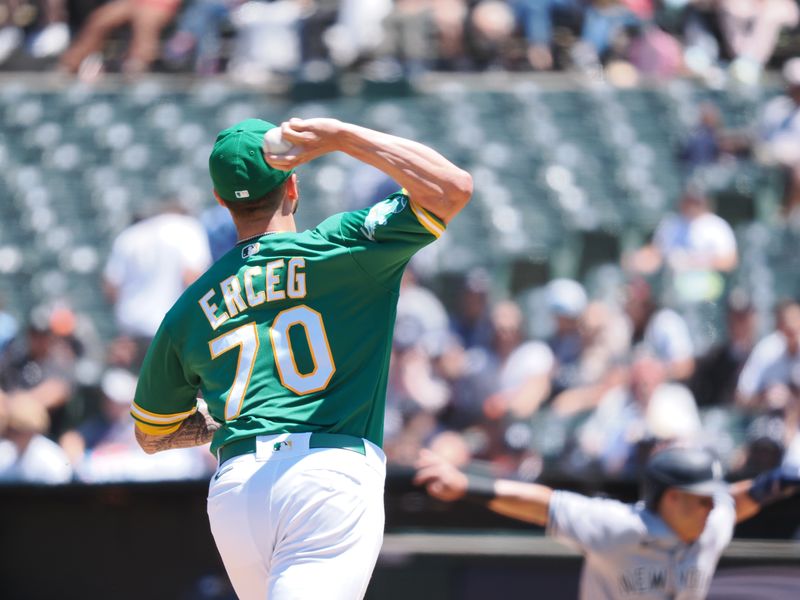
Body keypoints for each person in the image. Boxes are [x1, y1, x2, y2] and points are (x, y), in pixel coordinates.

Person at [131, 117, 472, 599]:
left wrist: (235, 421)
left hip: (236, 489)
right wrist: (342, 138)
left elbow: (152, 433)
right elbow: (451, 187)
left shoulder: (189, 306)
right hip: (326, 475)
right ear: (292, 183)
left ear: (221, 200)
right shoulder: (341, 247)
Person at [415, 445, 800, 600]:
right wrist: (468, 485)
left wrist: (777, 482)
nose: (711, 507)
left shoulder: (711, 523)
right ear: (672, 498)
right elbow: (546, 505)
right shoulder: (619, 527)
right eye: (701, 499)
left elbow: (738, 500)